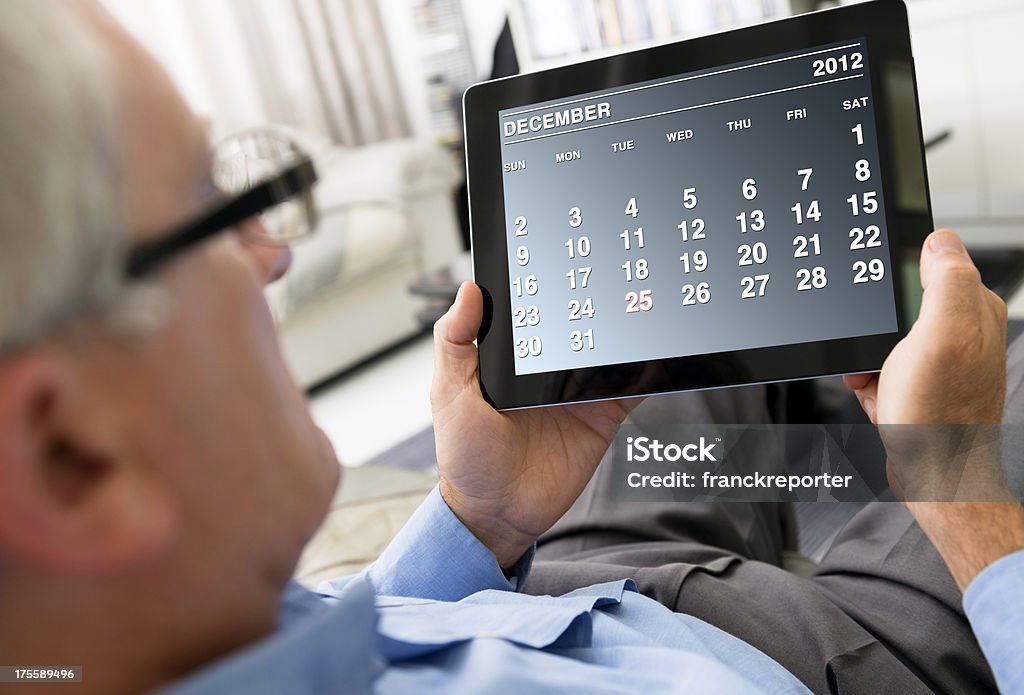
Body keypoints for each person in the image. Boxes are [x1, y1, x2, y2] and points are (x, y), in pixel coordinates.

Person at [0, 2, 1018, 694]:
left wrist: (474, 515)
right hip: (822, 659)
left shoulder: (113, 640)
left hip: (549, 580)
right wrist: (958, 481)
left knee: (665, 335)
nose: (273, 255)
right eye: (218, 209)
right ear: (73, 453)